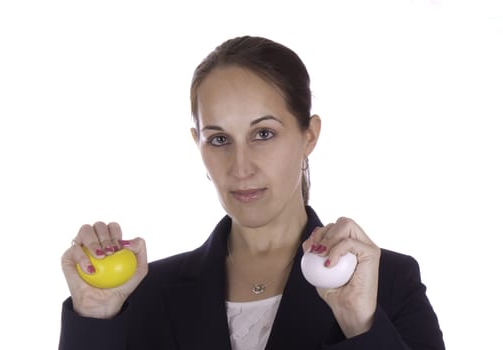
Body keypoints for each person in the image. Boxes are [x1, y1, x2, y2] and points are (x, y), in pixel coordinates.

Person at [59, 36, 445, 349]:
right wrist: (94, 317)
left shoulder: (386, 281)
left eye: (263, 134)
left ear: (309, 135)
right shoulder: (146, 295)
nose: (240, 167)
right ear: (198, 144)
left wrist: (360, 324)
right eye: (219, 139)